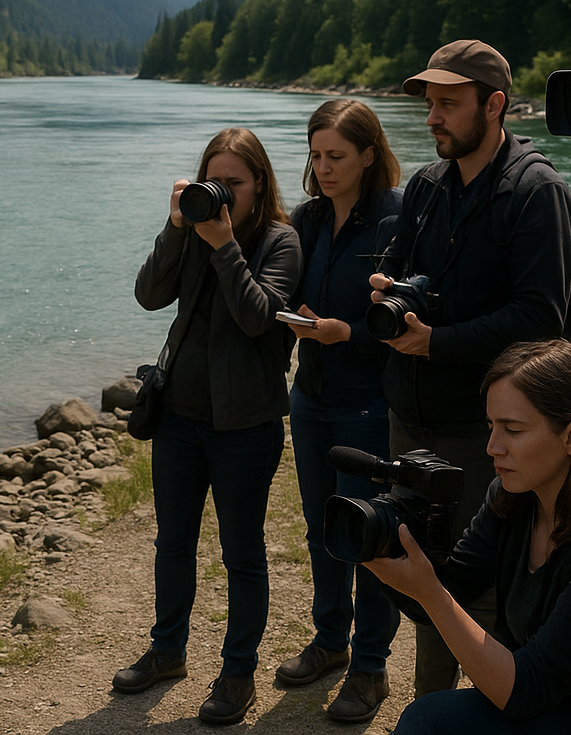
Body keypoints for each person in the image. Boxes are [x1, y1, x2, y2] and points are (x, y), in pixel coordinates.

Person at [371, 39, 571, 699]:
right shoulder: (429, 186)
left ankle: (507, 703)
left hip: (487, 432)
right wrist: (384, 287)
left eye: (447, 104)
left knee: (493, 587)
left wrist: (437, 342)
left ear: (494, 105)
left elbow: (540, 318)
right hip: (411, 419)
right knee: (425, 576)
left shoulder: (536, 191)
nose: (432, 117)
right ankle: (432, 709)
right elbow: (398, 259)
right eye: (429, 104)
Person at [365, 340, 571, 735]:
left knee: (428, 721)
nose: (492, 447)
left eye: (513, 429)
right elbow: (451, 589)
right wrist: (386, 546)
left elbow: (525, 689)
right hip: (549, 702)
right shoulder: (514, 498)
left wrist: (430, 593)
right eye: (491, 426)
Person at [113, 128, 301, 726]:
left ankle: (237, 673)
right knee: (173, 545)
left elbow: (256, 319)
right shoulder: (192, 232)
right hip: (178, 419)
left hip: (245, 425)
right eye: (212, 180)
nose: (222, 194)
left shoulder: (281, 241)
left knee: (241, 553)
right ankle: (167, 651)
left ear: (259, 185)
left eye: (234, 184)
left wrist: (224, 246)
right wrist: (177, 229)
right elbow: (147, 295)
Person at [275, 99, 403, 723]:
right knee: (323, 531)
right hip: (313, 399)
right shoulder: (307, 218)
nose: (323, 168)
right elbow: (293, 292)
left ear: (369, 155)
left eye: (337, 156)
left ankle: (370, 668)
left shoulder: (397, 219)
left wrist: (342, 332)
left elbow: (407, 320)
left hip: (371, 405)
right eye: (316, 155)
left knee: (368, 538)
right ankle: (331, 642)